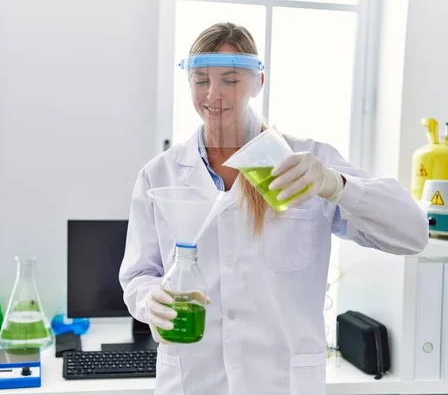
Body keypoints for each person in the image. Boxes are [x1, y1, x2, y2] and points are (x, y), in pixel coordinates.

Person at [119, 22, 428, 395]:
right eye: (201, 80)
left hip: (282, 384)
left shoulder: (308, 162)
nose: (213, 94)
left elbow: (413, 234)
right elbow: (138, 274)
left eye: (230, 80)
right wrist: (148, 299)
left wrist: (337, 185)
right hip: (192, 382)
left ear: (258, 82)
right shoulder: (159, 175)